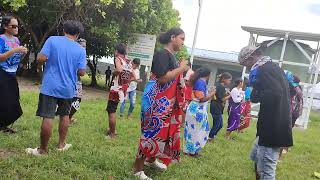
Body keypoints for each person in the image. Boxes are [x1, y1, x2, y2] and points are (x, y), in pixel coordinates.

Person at [133, 28, 189, 180]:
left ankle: (151, 160)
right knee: (151, 131)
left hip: (166, 102)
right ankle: (137, 169)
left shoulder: (172, 56)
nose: (183, 42)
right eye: (182, 38)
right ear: (173, 37)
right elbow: (163, 78)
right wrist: (182, 68)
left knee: (163, 132)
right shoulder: (162, 54)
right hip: (156, 101)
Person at [26, 20, 86, 155]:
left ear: (64, 30)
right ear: (77, 34)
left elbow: (41, 58)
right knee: (65, 116)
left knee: (48, 116)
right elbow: (82, 72)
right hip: (68, 88)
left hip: (50, 86)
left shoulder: (52, 40)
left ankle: (43, 150)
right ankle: (61, 144)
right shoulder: (80, 50)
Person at [238, 45, 293, 180]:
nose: (248, 67)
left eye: (246, 64)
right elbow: (287, 90)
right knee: (257, 157)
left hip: (272, 128)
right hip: (274, 125)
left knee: (266, 169)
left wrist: (256, 94)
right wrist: (257, 91)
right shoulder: (274, 68)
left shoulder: (264, 69)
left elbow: (275, 93)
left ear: (251, 58)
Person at [0, 15, 28, 133]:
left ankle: (3, 125)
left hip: (12, 73)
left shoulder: (16, 40)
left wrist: (23, 53)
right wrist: (15, 50)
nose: (17, 28)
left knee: (13, 100)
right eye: (13, 26)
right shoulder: (1, 39)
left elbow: (15, 58)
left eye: (18, 26)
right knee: (4, 100)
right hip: (2, 72)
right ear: (5, 27)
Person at [183, 67, 215, 157]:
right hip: (197, 110)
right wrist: (211, 94)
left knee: (191, 130)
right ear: (208, 75)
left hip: (195, 109)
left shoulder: (199, 81)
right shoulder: (201, 82)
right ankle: (192, 152)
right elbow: (201, 99)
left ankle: (188, 150)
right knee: (197, 131)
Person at [106, 43, 135, 138]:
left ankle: (112, 133)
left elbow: (118, 70)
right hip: (123, 89)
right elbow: (133, 76)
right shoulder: (129, 62)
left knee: (111, 111)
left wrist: (113, 74)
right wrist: (125, 82)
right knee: (113, 109)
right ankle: (111, 129)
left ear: (117, 51)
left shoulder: (118, 58)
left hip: (116, 89)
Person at [208, 72, 232, 141]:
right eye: (229, 80)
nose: (230, 82)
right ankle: (210, 137)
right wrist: (230, 95)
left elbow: (220, 95)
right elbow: (222, 99)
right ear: (224, 79)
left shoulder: (220, 86)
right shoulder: (220, 87)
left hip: (217, 107)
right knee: (217, 124)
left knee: (220, 125)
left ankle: (212, 135)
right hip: (216, 107)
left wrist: (226, 93)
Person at [69, 38, 86, 124]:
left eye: (85, 47)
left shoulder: (82, 55)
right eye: (82, 46)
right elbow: (81, 72)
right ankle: (66, 117)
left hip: (77, 81)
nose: (83, 48)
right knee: (68, 99)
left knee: (78, 100)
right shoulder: (72, 54)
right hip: (69, 80)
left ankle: (69, 117)